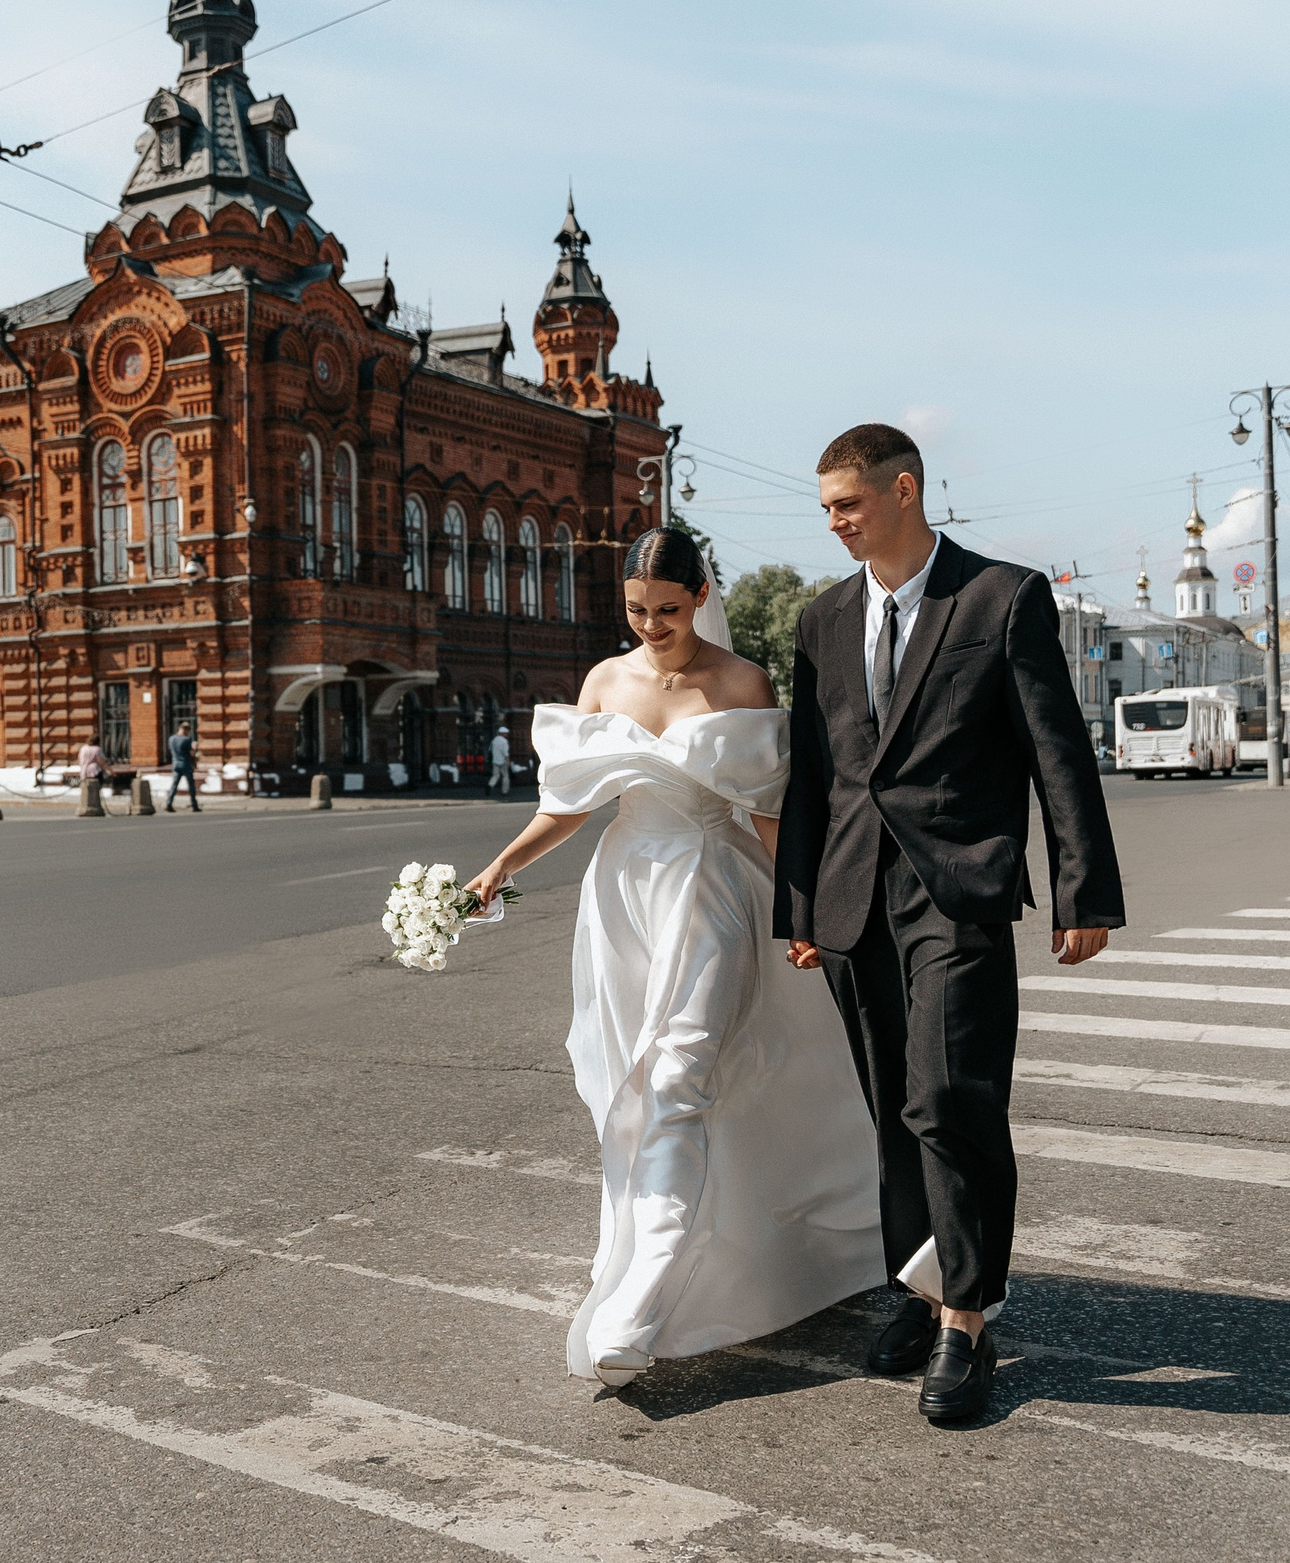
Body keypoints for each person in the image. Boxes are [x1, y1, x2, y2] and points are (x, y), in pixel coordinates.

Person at [465, 526, 883, 1389]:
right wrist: (501, 867)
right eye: (635, 610)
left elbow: (768, 816)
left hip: (713, 889)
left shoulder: (741, 683)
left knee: (677, 1077)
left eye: (667, 609)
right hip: (623, 898)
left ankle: (636, 1307)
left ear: (700, 597)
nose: (652, 625)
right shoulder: (603, 681)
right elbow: (571, 806)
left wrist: (805, 913)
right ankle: (674, 1252)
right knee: (630, 1078)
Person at [777, 422, 1124, 1425]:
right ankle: (919, 1288)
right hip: (852, 895)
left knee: (950, 1097)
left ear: (904, 490)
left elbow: (1056, 750)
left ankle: (968, 1318)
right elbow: (816, 771)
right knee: (890, 1106)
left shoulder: (1000, 597)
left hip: (957, 888)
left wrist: (1082, 891)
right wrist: (800, 905)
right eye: (826, 509)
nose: (835, 523)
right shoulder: (822, 619)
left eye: (848, 503)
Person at [166, 721, 201, 812]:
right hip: (185, 764)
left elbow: (171, 751)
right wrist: (194, 762)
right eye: (188, 730)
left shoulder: (171, 738)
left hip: (175, 763)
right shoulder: (187, 739)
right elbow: (191, 753)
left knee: (174, 785)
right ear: (185, 730)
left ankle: (169, 803)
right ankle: (194, 805)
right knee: (191, 785)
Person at [486, 724, 512, 797]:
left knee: (495, 775)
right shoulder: (504, 741)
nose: (506, 735)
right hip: (503, 761)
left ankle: (490, 785)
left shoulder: (494, 740)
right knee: (505, 776)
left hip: (495, 760)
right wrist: (508, 761)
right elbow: (505, 752)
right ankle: (505, 791)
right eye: (506, 733)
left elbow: (490, 750)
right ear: (503, 733)